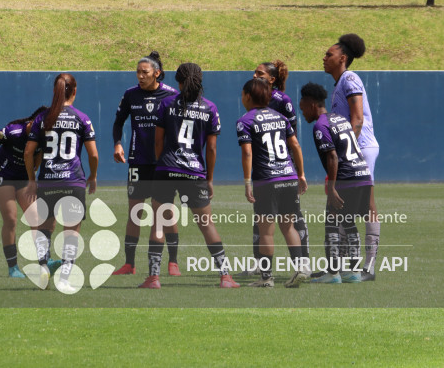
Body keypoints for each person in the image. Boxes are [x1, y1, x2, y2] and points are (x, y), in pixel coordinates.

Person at [140, 63, 239, 289]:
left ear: (179, 81)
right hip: (194, 172)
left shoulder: (166, 104)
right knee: (207, 224)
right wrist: (209, 179)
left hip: (166, 168)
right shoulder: (210, 108)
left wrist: (162, 163)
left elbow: (158, 141)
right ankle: (225, 276)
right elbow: (211, 149)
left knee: (157, 222)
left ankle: (153, 278)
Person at [24, 73, 99, 293]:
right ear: (74, 91)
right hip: (73, 181)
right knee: (71, 233)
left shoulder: (43, 118)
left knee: (45, 229)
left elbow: (29, 152)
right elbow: (93, 154)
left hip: (47, 181)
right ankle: (65, 277)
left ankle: (44, 267)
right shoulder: (82, 118)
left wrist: (31, 179)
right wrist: (92, 176)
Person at [111, 52, 181, 276]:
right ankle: (129, 263)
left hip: (164, 164)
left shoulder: (172, 96)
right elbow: (118, 122)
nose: (140, 76)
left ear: (157, 73)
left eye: (145, 72)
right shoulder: (131, 95)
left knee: (165, 213)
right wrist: (117, 144)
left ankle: (173, 261)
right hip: (138, 161)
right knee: (135, 212)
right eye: (138, 72)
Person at [298, 82, 373, 284]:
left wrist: (331, 187)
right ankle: (355, 272)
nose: (302, 113)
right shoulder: (339, 118)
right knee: (349, 222)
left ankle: (333, 274)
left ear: (312, 104)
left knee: (331, 223)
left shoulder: (320, 125)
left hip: (346, 177)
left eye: (303, 107)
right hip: (363, 175)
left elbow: (332, 157)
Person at [240, 60, 309, 276]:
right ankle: (261, 263)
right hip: (279, 171)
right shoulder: (260, 102)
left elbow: (293, 139)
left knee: (289, 219)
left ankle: (301, 264)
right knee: (264, 222)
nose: (254, 75)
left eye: (259, 73)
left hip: (275, 170)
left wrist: (297, 171)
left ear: (272, 79)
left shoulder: (280, 101)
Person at [323, 33, 380, 281]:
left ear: (342, 58)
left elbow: (357, 119)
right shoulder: (339, 83)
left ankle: (368, 267)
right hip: (352, 149)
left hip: (361, 148)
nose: (324, 58)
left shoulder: (350, 78)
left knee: (368, 206)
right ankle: (347, 266)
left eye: (329, 54)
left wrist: (348, 153)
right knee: (342, 205)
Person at [0, 105, 62, 278]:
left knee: (37, 218)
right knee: (11, 219)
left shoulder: (43, 136)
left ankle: (45, 260)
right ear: (33, 121)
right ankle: (13, 268)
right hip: (2, 176)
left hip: (23, 179)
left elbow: (38, 156)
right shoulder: (13, 132)